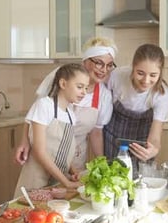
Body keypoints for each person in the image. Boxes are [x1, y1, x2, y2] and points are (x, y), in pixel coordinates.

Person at [14, 37, 117, 173]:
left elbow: (96, 133)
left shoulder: (104, 95)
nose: (104, 70)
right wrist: (24, 140)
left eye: (109, 65)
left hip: (75, 159)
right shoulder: (62, 76)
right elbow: (36, 112)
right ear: (85, 61)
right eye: (99, 63)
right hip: (45, 154)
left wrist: (102, 163)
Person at [13, 63, 88, 196]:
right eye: (80, 87)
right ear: (63, 84)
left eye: (86, 88)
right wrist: (66, 182)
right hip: (36, 181)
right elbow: (39, 151)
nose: (84, 92)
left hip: (57, 182)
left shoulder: (71, 115)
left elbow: (62, 152)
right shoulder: (44, 106)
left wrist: (73, 171)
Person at [104, 44, 168, 178]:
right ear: (132, 67)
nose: (146, 81)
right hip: (113, 135)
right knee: (111, 177)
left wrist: (153, 149)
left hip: (142, 139)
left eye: (153, 75)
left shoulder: (162, 94)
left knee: (140, 180)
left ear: (160, 73)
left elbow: (156, 134)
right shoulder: (117, 76)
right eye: (140, 73)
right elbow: (101, 102)